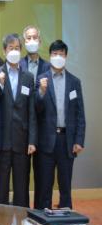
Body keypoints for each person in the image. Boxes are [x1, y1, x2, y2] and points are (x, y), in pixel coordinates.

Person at [35, 40, 85, 209]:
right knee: (45, 186)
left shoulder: (74, 81)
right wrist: (41, 92)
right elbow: (36, 110)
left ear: (66, 56)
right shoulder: (41, 79)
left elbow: (80, 113)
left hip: (67, 141)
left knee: (65, 185)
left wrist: (79, 140)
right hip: (46, 141)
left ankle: (66, 217)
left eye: (61, 54)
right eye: (54, 54)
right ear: (50, 56)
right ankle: (44, 218)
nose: (58, 57)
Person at [0, 34, 37, 207]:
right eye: (11, 48)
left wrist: (32, 140)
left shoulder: (28, 77)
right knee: (0, 189)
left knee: (21, 188)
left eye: (17, 48)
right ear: (4, 51)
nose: (14, 51)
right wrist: (0, 85)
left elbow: (31, 111)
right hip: (2, 142)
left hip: (22, 141)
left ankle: (22, 220)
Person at [19, 24, 50, 208]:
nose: (32, 41)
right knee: (22, 177)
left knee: (43, 177)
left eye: (34, 37)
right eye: (28, 38)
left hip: (43, 130)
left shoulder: (48, 66)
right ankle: (23, 214)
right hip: (23, 130)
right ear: (24, 42)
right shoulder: (18, 64)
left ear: (40, 40)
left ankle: (40, 214)